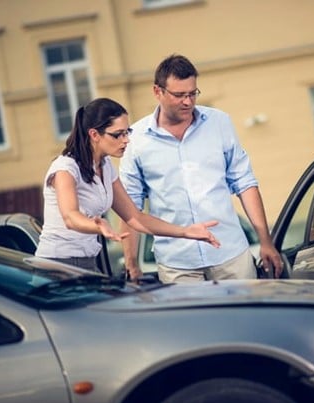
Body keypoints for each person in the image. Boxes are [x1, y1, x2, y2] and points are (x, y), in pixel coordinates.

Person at [119, 54, 283, 283]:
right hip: (177, 264)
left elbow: (245, 183)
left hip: (230, 254)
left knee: (245, 319)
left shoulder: (219, 123)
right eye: (179, 95)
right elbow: (129, 207)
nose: (187, 102)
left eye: (192, 93)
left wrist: (265, 241)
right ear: (157, 92)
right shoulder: (136, 140)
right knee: (191, 321)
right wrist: (131, 262)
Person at [35, 97, 220, 272]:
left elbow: (135, 218)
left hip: (89, 261)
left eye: (127, 132)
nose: (126, 140)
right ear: (94, 134)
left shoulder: (106, 166)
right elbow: (70, 217)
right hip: (56, 264)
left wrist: (186, 232)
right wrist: (97, 225)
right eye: (118, 135)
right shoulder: (65, 168)